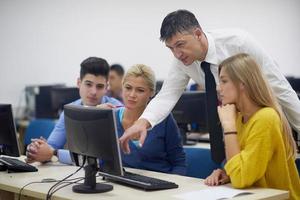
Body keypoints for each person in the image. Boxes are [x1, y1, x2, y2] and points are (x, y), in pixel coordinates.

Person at [119, 9, 300, 155]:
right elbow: (167, 96)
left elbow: (280, 89)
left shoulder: (238, 42)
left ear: (198, 34)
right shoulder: (182, 62)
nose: (176, 54)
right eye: (171, 48)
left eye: (180, 45)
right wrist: (143, 121)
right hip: (233, 129)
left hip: (263, 124)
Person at [204, 53, 300, 200]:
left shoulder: (266, 118)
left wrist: (228, 127)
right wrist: (227, 173)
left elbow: (241, 178)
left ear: (243, 83)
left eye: (224, 81)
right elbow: (244, 165)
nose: (218, 88)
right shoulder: (239, 116)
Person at [26, 57, 123, 164]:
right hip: (77, 174)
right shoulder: (70, 110)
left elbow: (100, 159)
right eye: (88, 84)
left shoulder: (116, 109)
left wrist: (54, 153)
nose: (94, 92)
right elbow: (52, 146)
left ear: (106, 87)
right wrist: (37, 150)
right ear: (78, 83)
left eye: (99, 86)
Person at [116, 64, 186, 175]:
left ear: (152, 93)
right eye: (128, 88)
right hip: (125, 186)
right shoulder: (112, 118)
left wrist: (172, 187)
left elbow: (179, 163)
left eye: (140, 90)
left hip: (160, 185)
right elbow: (104, 162)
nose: (132, 95)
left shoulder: (163, 118)